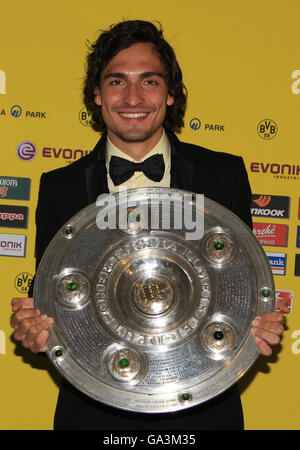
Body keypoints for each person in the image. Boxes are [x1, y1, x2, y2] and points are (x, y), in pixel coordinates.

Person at [10, 20, 289, 430]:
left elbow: (242, 282)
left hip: (202, 408)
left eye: (150, 81)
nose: (133, 97)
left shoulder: (222, 175)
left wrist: (262, 319)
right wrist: (32, 326)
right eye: (117, 81)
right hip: (94, 411)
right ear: (97, 95)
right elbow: (50, 295)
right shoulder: (60, 186)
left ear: (171, 93)